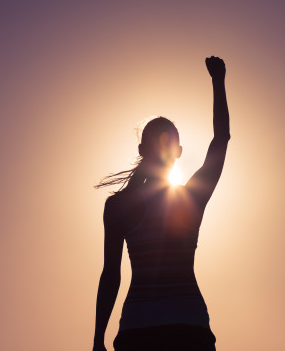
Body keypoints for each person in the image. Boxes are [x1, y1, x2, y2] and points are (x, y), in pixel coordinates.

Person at [93, 56, 230, 351]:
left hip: (138, 330)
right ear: (178, 152)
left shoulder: (118, 206)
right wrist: (218, 82)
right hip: (188, 326)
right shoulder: (192, 197)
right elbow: (221, 139)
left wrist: (97, 340)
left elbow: (110, 275)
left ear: (142, 149)